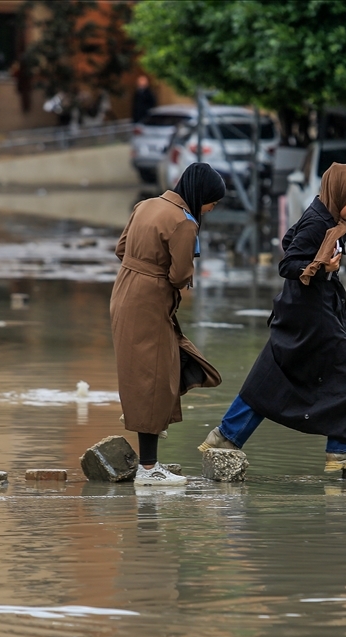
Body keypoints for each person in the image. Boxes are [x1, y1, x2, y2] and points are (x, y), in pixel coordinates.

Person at [198, 163, 346, 471]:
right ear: (342, 195)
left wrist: (322, 265)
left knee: (272, 377)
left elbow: (288, 239)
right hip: (309, 315)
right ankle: (342, 450)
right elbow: (287, 264)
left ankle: (226, 436)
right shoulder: (317, 222)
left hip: (310, 310)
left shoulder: (328, 217)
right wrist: (321, 267)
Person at [111, 163, 226, 485]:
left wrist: (142, 267)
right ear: (201, 195)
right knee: (153, 378)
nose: (212, 208)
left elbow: (121, 249)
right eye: (212, 202)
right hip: (149, 302)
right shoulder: (183, 222)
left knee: (147, 373)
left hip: (123, 292)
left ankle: (150, 459)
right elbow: (178, 276)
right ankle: (148, 470)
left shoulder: (145, 205)